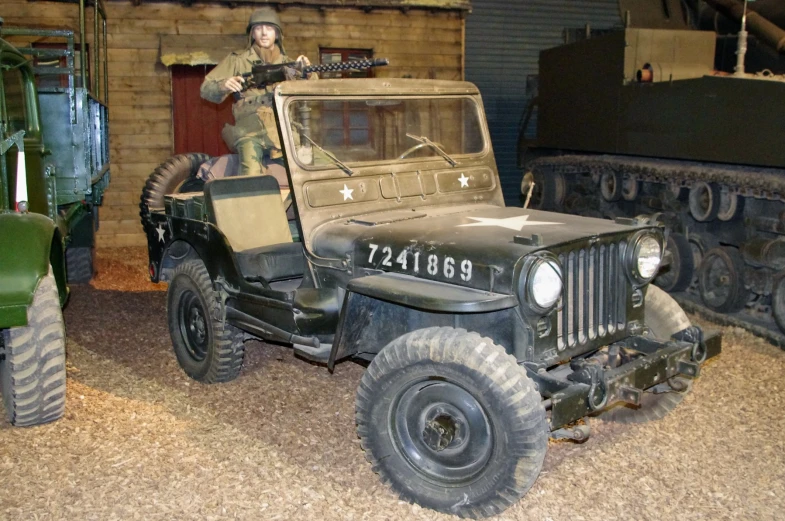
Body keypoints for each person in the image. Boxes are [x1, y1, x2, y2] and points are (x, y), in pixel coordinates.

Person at [200, 7, 316, 178]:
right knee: (250, 175)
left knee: (311, 169)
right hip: (250, 130)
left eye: (269, 28)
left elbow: (313, 91)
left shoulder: (289, 64)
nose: (264, 33)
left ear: (277, 34)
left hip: (283, 129)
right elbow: (205, 88)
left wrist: (307, 73)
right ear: (252, 34)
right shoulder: (237, 61)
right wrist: (224, 84)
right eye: (258, 28)